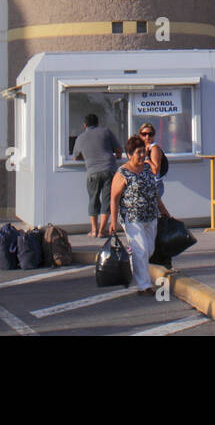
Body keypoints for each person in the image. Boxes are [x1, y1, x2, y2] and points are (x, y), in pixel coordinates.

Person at [109, 135, 170, 295]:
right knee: (141, 250)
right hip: (132, 217)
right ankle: (144, 286)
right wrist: (113, 221)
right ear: (130, 154)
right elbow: (114, 198)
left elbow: (154, 192)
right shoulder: (122, 173)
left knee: (149, 249)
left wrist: (164, 210)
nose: (143, 155)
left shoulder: (148, 169)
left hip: (150, 215)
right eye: (138, 153)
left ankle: (133, 259)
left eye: (144, 152)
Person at [72, 113, 121, 238]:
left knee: (93, 200)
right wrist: (118, 157)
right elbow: (118, 150)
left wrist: (88, 156)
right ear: (97, 123)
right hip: (109, 169)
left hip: (92, 172)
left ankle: (93, 230)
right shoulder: (106, 132)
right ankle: (101, 231)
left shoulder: (80, 138)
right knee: (107, 200)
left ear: (85, 125)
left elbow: (75, 157)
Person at [138, 123, 170, 197]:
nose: (147, 137)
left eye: (150, 134)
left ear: (154, 135)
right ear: (140, 135)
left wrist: (147, 160)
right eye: (144, 134)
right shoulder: (143, 148)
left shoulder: (154, 148)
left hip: (154, 185)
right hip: (145, 185)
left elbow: (155, 170)